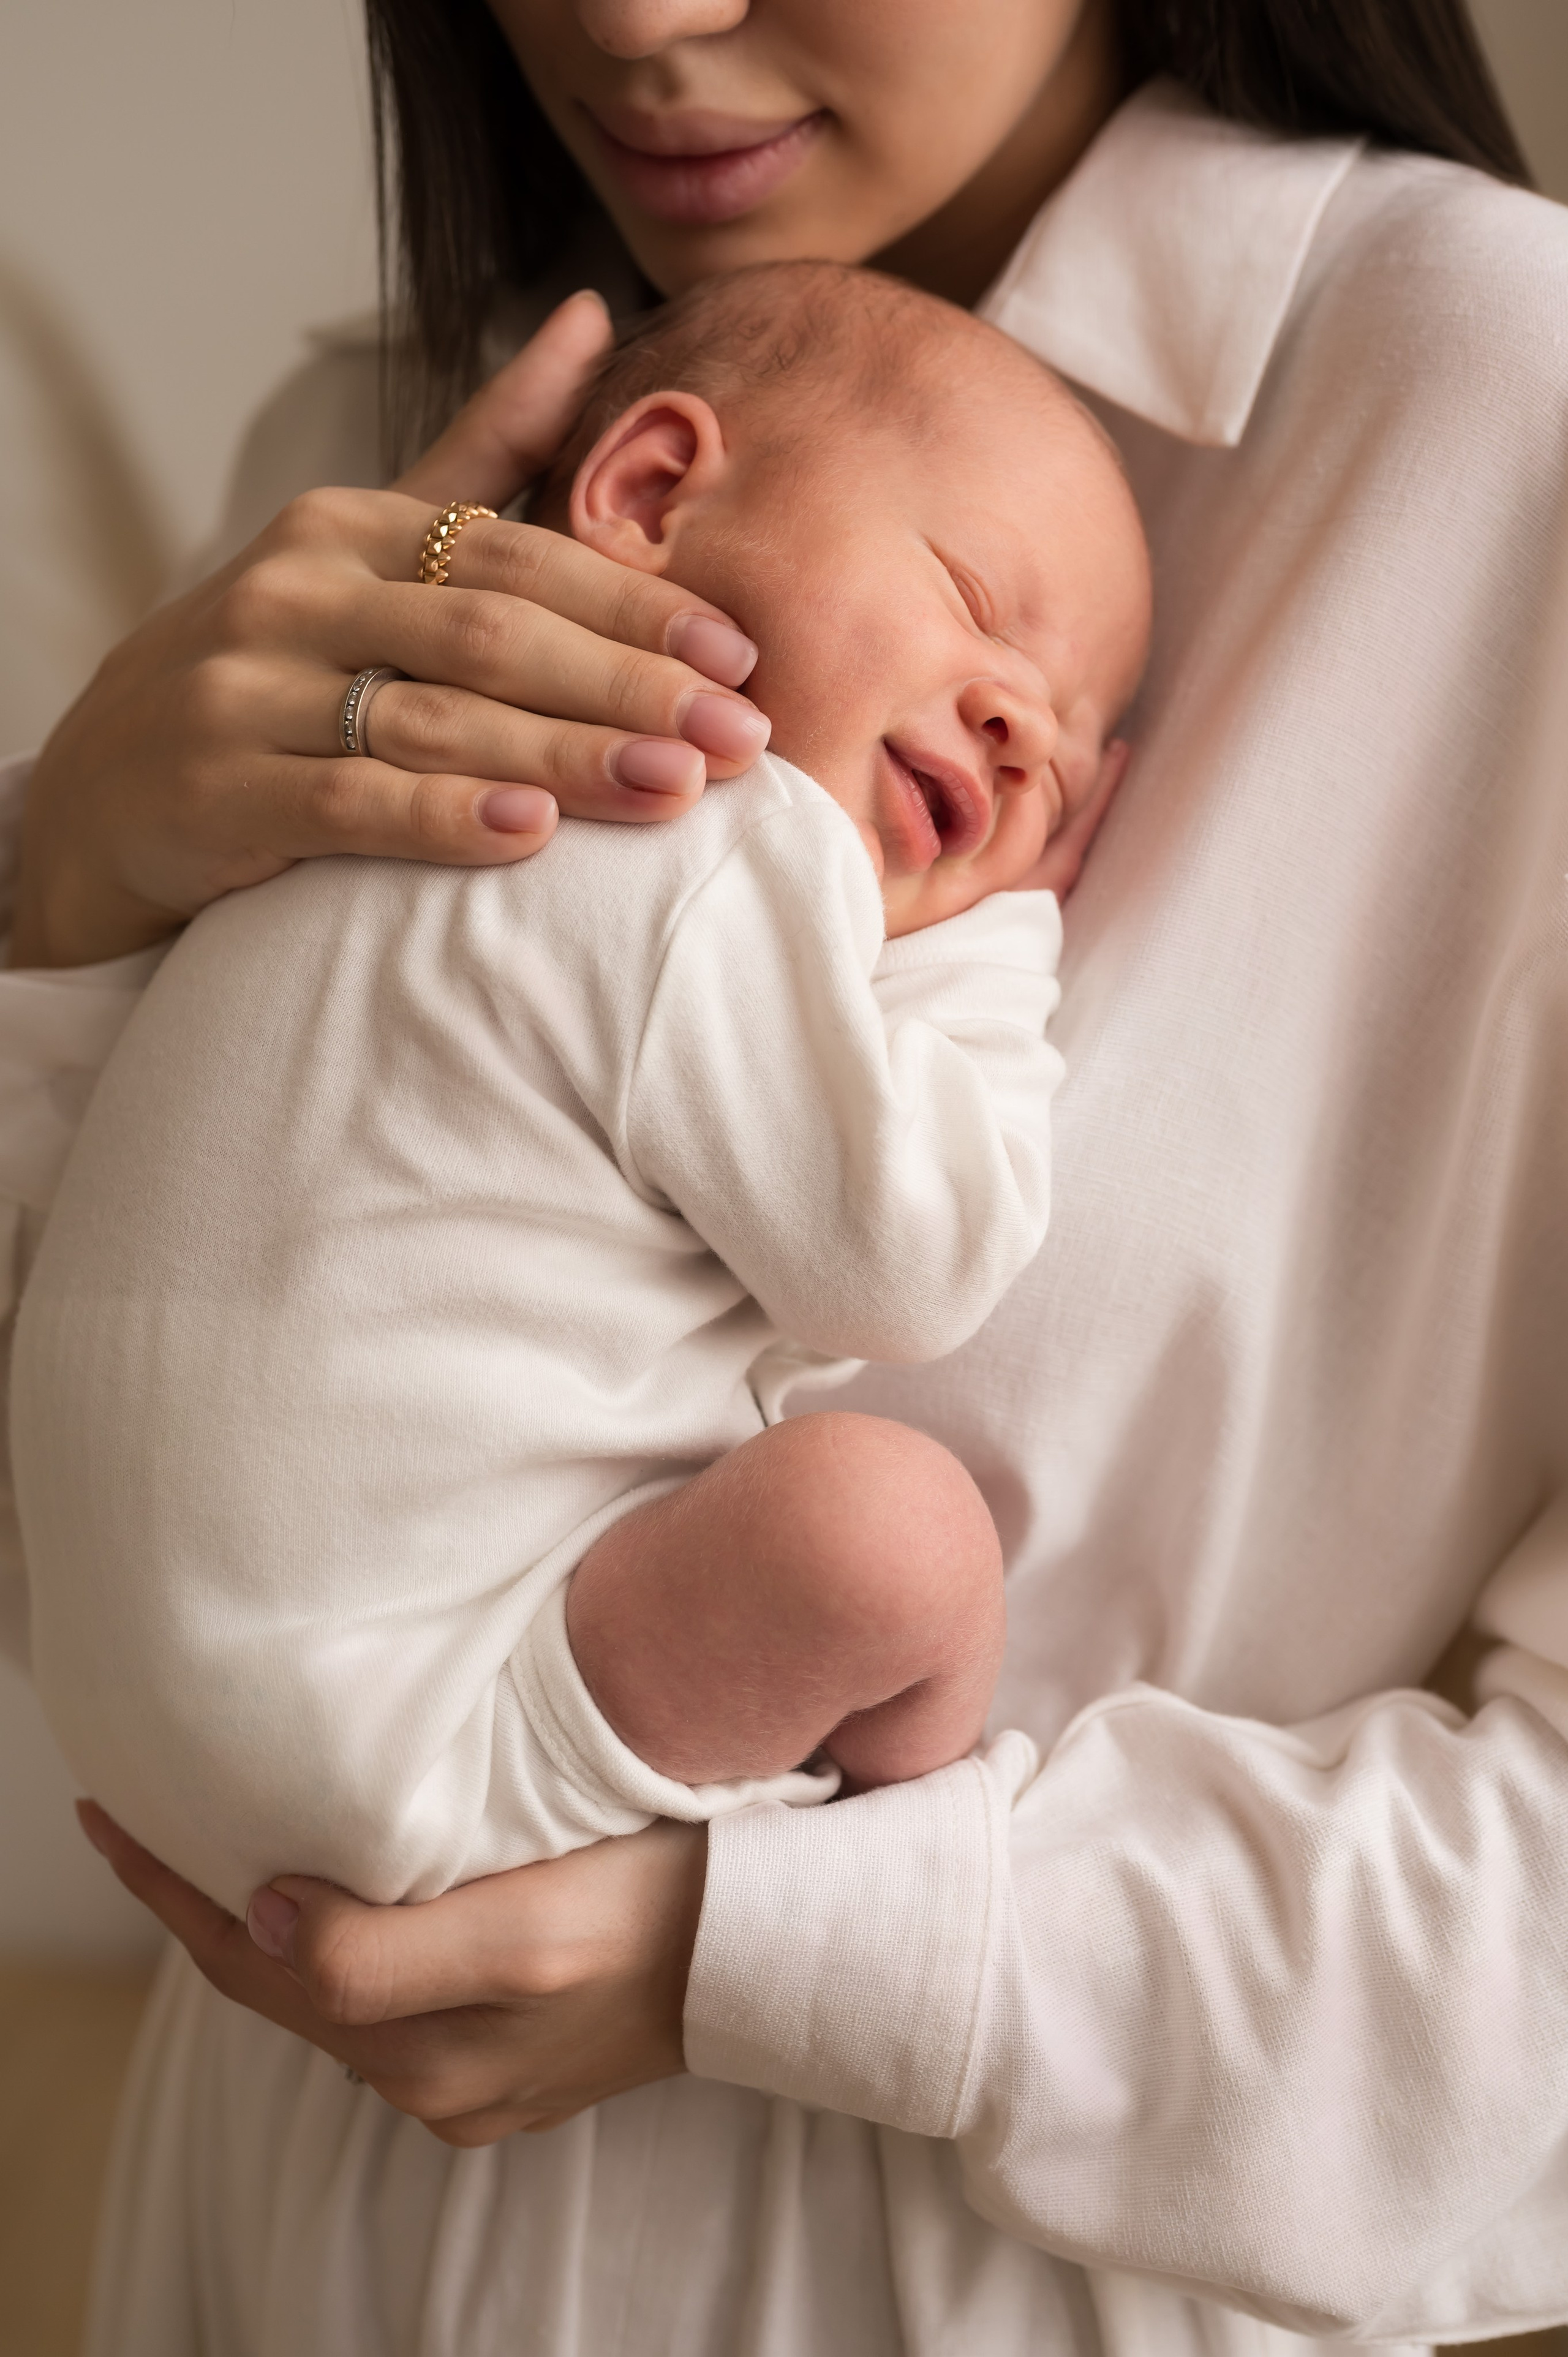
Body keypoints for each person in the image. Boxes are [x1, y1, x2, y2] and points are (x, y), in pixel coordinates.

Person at [1, 1, 1564, 2351]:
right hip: (272, 2256)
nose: (634, 20)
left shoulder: (1502, 424)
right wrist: (58, 897)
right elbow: (114, 1563)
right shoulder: (407, 442)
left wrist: (782, 1952)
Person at [15, 265, 1148, 1914]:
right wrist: (1001, 935)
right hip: (424, 1729)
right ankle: (878, 1863)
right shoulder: (716, 834)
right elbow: (911, 1265)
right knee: (891, 1540)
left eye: (1069, 751)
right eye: (977, 602)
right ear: (653, 491)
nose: (1020, 723)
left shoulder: (344, 765)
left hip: (113, 1703)